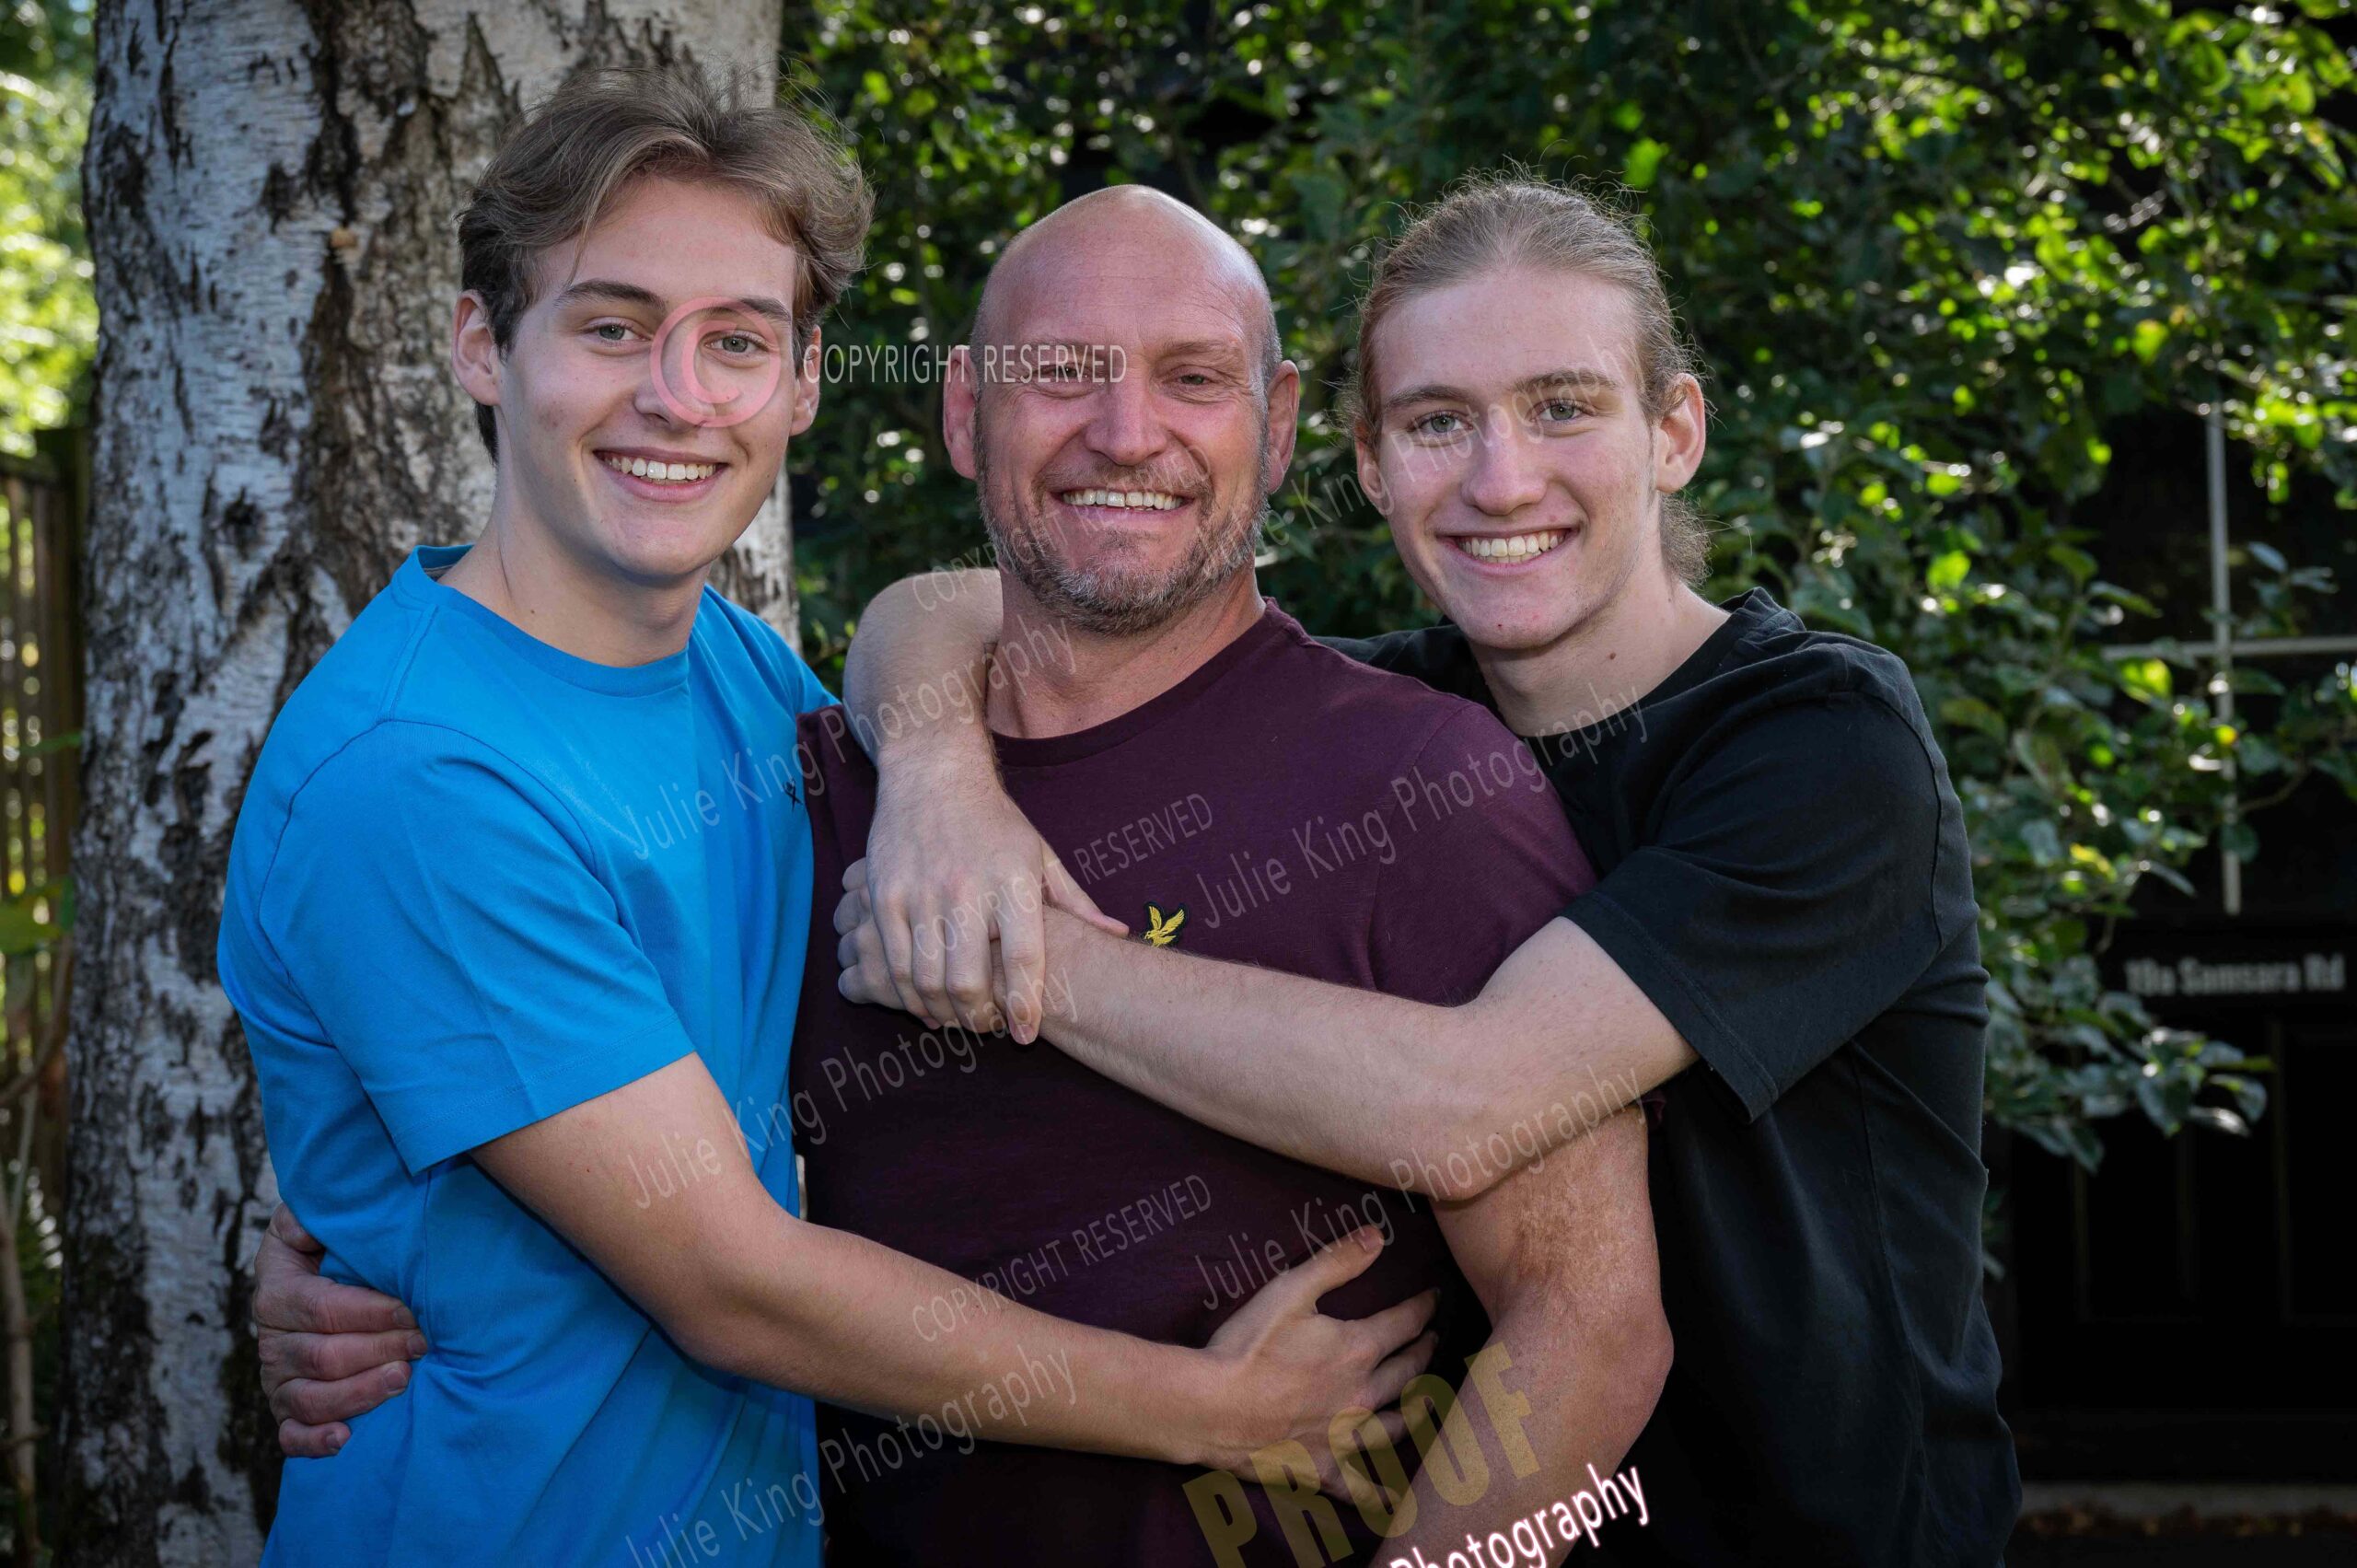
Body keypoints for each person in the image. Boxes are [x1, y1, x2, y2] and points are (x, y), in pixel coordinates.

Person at [256, 179, 1672, 1567]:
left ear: (1282, 420)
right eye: (1059, 373)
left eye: (1192, 378)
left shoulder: (1422, 792)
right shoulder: (826, 775)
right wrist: (360, 1223)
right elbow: (628, 1137)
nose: (1127, 433)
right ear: (961, 411)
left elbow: (1595, 1334)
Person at [832, 177, 2021, 1566]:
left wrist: (1009, 947)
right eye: (1438, 421)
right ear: (1367, 458)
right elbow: (980, 597)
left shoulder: (1819, 743)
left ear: (1675, 432)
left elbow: (1472, 1107)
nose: (1500, 480)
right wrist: (938, 785)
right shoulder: (1410, 725)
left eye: (1562, 407)